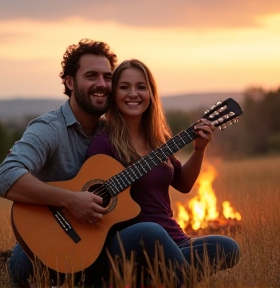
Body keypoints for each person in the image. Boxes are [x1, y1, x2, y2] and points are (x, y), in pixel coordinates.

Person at [83, 59, 240, 287]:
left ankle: (153, 278)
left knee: (228, 248)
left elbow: (184, 184)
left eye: (141, 87)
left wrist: (199, 150)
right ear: (114, 94)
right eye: (124, 87)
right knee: (150, 231)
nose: (133, 94)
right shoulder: (103, 144)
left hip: (174, 240)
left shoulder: (158, 142)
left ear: (151, 94)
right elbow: (90, 202)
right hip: (129, 244)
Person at [0, 38, 118, 287]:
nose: (102, 84)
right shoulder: (49, 128)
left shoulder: (113, 132)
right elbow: (5, 176)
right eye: (91, 76)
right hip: (44, 243)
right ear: (70, 82)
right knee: (26, 264)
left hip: (94, 241)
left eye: (108, 77)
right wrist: (71, 200)